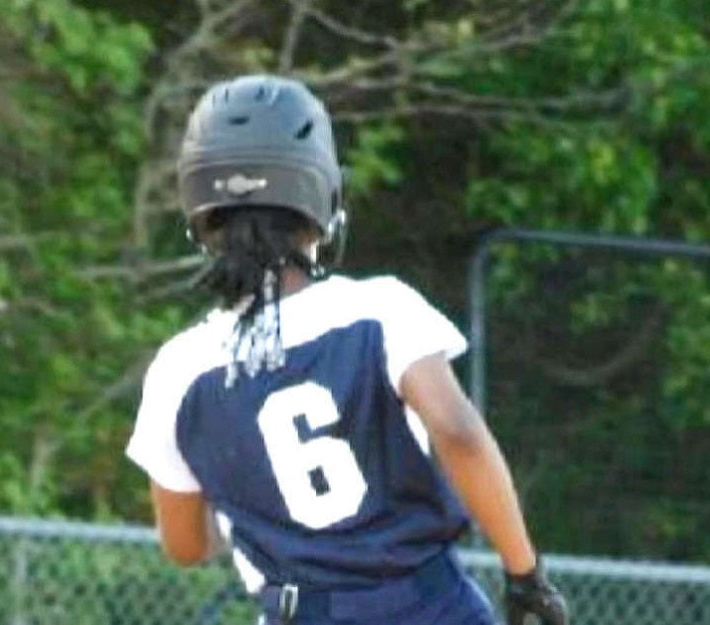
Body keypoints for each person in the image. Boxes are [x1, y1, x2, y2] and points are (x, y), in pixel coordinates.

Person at [126, 74, 569, 625]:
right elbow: (458, 433)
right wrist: (524, 575)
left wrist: (259, 506)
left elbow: (185, 546)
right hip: (427, 605)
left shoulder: (178, 370)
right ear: (321, 200)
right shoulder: (379, 311)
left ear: (200, 214)